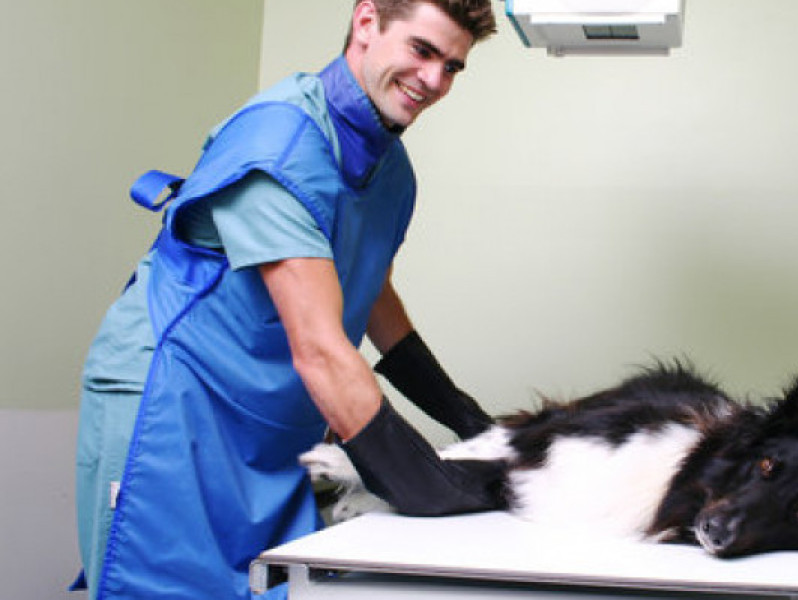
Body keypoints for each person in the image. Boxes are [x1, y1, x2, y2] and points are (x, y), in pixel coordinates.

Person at [74, 1, 504, 598]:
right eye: (422, 51)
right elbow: (323, 351)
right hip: (176, 410)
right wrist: (425, 482)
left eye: (453, 67)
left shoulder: (392, 171)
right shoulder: (280, 145)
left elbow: (371, 293)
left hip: (274, 424)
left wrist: (473, 422)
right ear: (366, 22)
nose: (434, 81)